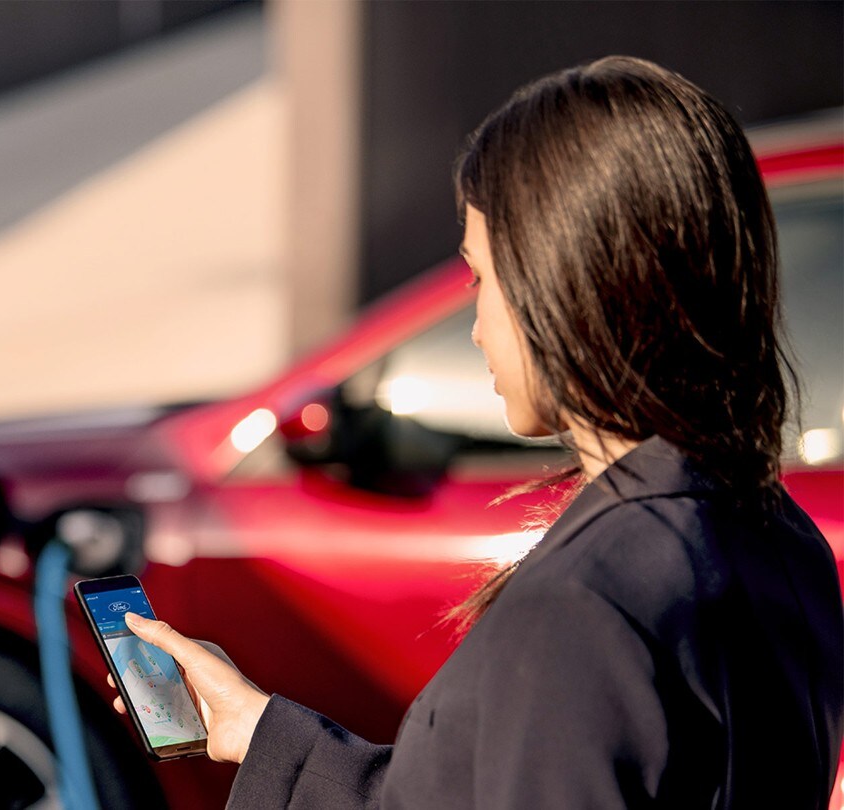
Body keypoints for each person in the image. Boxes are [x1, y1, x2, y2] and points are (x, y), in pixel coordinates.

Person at [114, 56, 844, 808]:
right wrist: (258, 731)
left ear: (559, 283)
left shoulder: (585, 609)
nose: (476, 327)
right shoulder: (776, 537)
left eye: (480, 278)